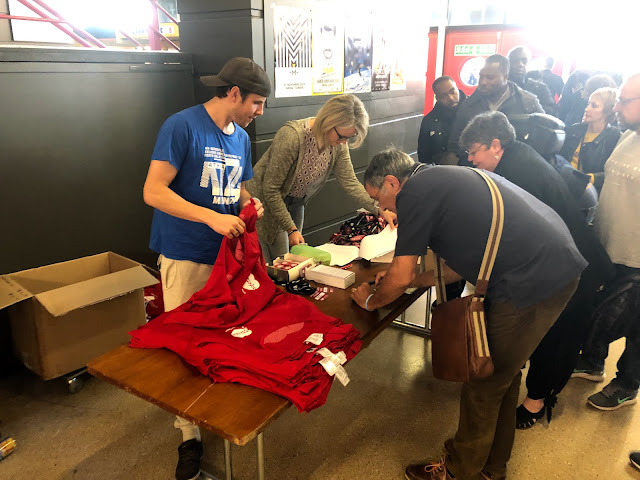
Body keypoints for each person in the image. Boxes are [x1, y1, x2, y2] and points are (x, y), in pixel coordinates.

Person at [352, 148, 585, 480]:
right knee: (502, 376)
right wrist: (406, 279)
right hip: (549, 264)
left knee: (484, 382)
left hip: (533, 278)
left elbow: (400, 276)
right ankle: (492, 468)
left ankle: (459, 471)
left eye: (379, 198)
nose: (383, 208)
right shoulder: (439, 178)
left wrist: (370, 301)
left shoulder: (414, 192)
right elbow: (452, 271)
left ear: (392, 182)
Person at [142, 57, 270, 480]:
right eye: (256, 102)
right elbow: (153, 191)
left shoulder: (242, 138)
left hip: (225, 259)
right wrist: (210, 217)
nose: (260, 112)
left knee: (223, 338)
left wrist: (248, 204)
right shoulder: (182, 126)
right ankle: (188, 436)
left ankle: (216, 410)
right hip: (186, 254)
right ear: (233, 94)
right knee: (185, 346)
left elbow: (237, 188)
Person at [459, 111, 614, 429]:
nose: (471, 159)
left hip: (571, 264)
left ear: (496, 145)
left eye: (474, 152)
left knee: (555, 333)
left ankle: (538, 400)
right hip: (560, 256)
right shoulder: (516, 156)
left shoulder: (517, 173)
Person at [246, 94, 396, 264]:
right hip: (265, 203)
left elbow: (350, 182)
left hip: (296, 202)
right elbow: (271, 189)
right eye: (341, 136)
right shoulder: (292, 136)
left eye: (348, 138)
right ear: (328, 122)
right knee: (278, 263)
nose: (344, 142)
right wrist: (291, 229)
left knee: (293, 258)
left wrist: (379, 208)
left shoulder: (338, 144)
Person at [572, 74, 640, 411]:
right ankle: (592, 361)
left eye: (625, 101)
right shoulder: (628, 135)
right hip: (608, 246)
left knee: (633, 324)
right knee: (599, 313)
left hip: (636, 256)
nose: (617, 107)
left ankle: (627, 384)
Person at [447, 54, 544, 164]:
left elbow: (542, 141)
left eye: (490, 78)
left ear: (505, 77)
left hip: (516, 168)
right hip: (478, 168)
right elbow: (455, 145)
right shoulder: (469, 105)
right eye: (481, 76)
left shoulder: (527, 102)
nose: (483, 82)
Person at [558, 87, 621, 194]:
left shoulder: (614, 138)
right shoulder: (575, 129)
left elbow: (613, 174)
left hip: (587, 192)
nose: (587, 109)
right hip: (563, 183)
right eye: (588, 103)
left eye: (594, 106)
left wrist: (590, 179)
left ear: (608, 112)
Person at [417, 76, 467, 165]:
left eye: (452, 92)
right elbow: (423, 155)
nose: (450, 98)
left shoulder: (474, 112)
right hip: (441, 169)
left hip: (472, 168)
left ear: (457, 89)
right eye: (443, 96)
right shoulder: (429, 121)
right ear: (437, 98)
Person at [507, 46, 557, 116]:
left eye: (525, 61)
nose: (520, 64)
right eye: (515, 61)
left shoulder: (540, 88)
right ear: (508, 63)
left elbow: (551, 114)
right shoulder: (498, 86)